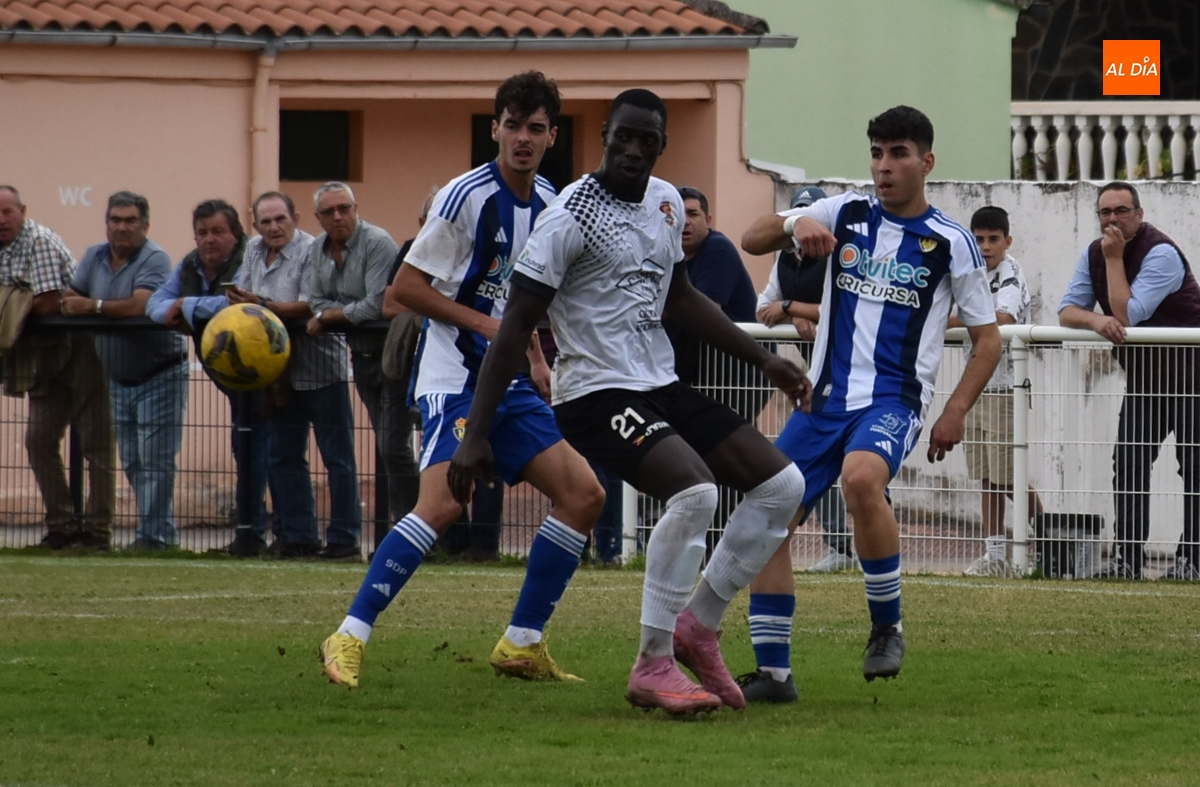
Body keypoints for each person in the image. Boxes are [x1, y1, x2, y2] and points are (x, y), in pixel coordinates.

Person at [449, 88, 809, 715]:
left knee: (783, 486)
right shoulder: (568, 216)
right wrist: (475, 431)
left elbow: (682, 298)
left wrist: (765, 359)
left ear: (662, 146)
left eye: (648, 140)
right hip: (594, 392)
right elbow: (514, 327)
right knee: (695, 494)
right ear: (604, 137)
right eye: (624, 137)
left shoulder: (666, 203)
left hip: (658, 385)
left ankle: (697, 625)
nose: (634, 150)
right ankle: (652, 662)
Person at [319, 71, 605, 689]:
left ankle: (522, 643)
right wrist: (489, 326)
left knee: (585, 494)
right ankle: (348, 635)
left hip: (509, 381)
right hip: (454, 376)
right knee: (445, 503)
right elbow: (405, 289)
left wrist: (534, 358)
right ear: (494, 128)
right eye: (512, 125)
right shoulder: (464, 196)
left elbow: (524, 296)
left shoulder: (550, 202)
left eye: (535, 128)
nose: (522, 138)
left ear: (552, 136)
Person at [739, 105, 1000, 702]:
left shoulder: (951, 242)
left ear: (926, 162)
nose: (884, 166)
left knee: (861, 479)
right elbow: (752, 238)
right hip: (822, 400)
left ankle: (887, 627)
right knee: (768, 518)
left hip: (893, 399)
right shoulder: (845, 212)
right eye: (877, 154)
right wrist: (796, 226)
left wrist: (955, 410)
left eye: (898, 154)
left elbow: (987, 341)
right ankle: (774, 675)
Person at [1058, 181, 1200, 581]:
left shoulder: (1161, 253)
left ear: (1140, 214)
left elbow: (1127, 315)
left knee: (1195, 468)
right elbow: (1067, 311)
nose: (1113, 219)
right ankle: (1127, 560)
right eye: (1105, 212)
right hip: (1146, 381)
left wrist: (1115, 259)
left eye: (1122, 210)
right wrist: (1095, 319)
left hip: (1193, 378)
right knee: (1129, 465)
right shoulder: (1095, 253)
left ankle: (1191, 561)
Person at [225, 191, 362, 558]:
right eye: (266, 221)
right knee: (283, 456)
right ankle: (298, 536)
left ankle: (345, 539)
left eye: (280, 219)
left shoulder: (313, 250)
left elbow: (309, 304)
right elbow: (242, 296)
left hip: (321, 369)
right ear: (256, 225)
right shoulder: (253, 251)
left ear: (295, 218)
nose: (274, 227)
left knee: (338, 458)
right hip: (277, 373)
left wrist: (261, 305)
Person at [146, 198, 279, 552]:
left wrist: (186, 306)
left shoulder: (251, 258)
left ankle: (278, 535)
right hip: (230, 378)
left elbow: (239, 303)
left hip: (265, 376)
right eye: (202, 232)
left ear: (235, 234)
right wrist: (175, 309)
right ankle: (249, 535)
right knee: (244, 450)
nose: (209, 239)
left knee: (268, 452)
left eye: (218, 231)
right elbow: (154, 303)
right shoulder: (189, 265)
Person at [61, 191, 188, 552]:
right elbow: (69, 299)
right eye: (115, 220)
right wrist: (88, 305)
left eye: (131, 220)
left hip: (160, 373)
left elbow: (139, 305)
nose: (122, 227)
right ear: (106, 224)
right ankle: (156, 532)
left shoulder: (155, 258)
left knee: (156, 459)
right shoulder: (94, 255)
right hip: (117, 379)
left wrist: (94, 306)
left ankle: (155, 537)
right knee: (132, 459)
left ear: (145, 225)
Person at [0, 185, 116, 550]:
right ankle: (61, 526)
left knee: (96, 441)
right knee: (38, 439)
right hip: (40, 353)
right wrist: (19, 299)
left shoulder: (40, 241)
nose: (1, 220)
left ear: (22, 211)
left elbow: (49, 303)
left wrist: (11, 300)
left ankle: (97, 532)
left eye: (7, 212)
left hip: (79, 344)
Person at [306, 181, 412, 557]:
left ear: (355, 208)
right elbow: (313, 299)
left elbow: (376, 305)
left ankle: (420, 528)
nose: (338, 217)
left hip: (394, 356)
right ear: (318, 217)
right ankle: (413, 528)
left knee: (394, 446)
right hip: (361, 357)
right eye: (329, 211)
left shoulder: (377, 242)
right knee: (388, 446)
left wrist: (330, 316)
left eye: (344, 208)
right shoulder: (317, 250)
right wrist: (331, 312)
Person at [756, 184, 854, 574]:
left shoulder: (839, 254)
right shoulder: (784, 257)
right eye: (799, 215)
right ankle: (840, 546)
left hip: (855, 373)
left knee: (863, 468)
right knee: (806, 467)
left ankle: (869, 549)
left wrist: (792, 308)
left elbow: (841, 306)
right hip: (819, 376)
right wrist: (792, 312)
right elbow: (763, 307)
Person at [950, 206, 1044, 577]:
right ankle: (994, 555)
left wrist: (952, 320)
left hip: (1006, 387)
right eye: (979, 239)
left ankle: (1049, 536)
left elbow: (1002, 319)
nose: (986, 247)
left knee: (1009, 475)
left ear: (1008, 241)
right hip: (975, 385)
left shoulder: (1011, 272)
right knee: (986, 475)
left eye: (993, 239)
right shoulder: (967, 272)